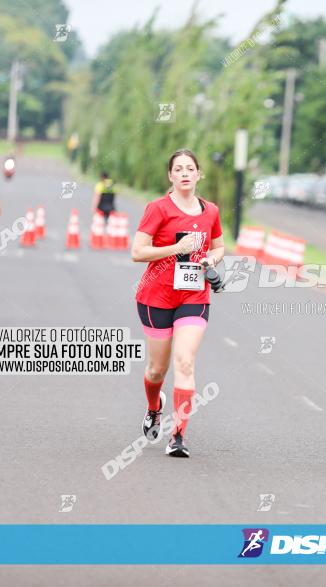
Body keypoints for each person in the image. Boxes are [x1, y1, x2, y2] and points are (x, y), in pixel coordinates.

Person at [131, 149, 225, 458]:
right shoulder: (157, 208)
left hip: (193, 295)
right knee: (157, 370)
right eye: (178, 169)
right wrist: (175, 248)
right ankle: (154, 406)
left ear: (199, 175)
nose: (185, 173)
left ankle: (178, 435)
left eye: (190, 169)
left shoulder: (210, 211)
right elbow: (138, 252)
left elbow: (219, 245)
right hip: (156, 296)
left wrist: (211, 258)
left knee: (184, 362)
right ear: (171, 176)